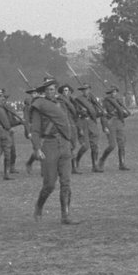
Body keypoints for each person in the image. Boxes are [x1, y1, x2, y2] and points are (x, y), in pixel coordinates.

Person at [25, 78, 78, 223]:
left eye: (53, 89)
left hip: (64, 144)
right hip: (49, 144)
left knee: (66, 182)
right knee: (49, 184)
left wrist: (72, 142)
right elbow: (35, 130)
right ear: (44, 92)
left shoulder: (62, 104)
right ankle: (39, 206)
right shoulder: (39, 106)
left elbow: (69, 122)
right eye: (48, 90)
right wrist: (36, 148)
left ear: (56, 90)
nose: (51, 92)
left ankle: (65, 216)